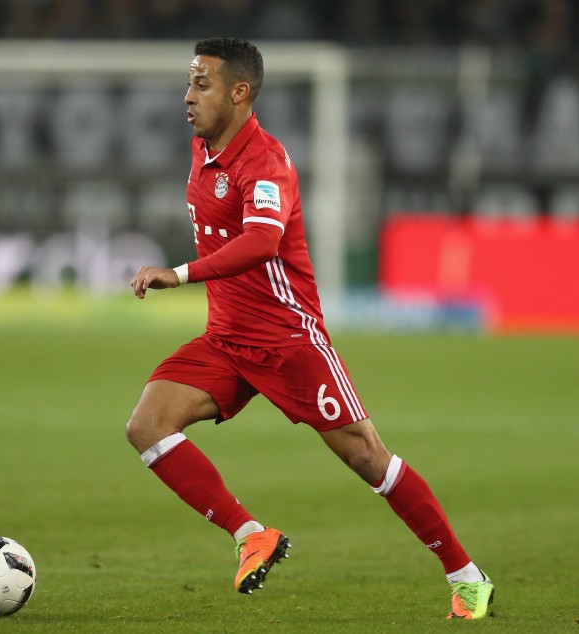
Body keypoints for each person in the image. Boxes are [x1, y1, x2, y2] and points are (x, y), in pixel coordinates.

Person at [127, 37, 494, 620]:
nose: (188, 97)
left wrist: (181, 272)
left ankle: (467, 576)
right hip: (226, 340)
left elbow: (262, 241)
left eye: (202, 84)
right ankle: (251, 534)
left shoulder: (265, 161)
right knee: (147, 425)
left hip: (288, 342)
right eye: (189, 83)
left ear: (239, 93)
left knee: (369, 458)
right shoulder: (204, 150)